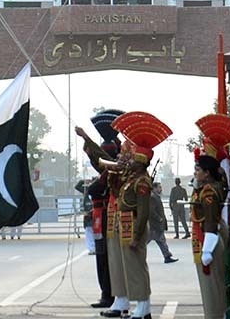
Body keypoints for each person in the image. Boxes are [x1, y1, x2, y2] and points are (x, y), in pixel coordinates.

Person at [110, 111, 172, 319]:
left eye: (133, 159)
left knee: (137, 267)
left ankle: (144, 306)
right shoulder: (132, 179)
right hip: (126, 223)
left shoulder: (142, 182)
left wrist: (137, 236)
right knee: (130, 267)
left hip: (135, 224)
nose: (129, 162)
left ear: (140, 161)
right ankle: (140, 306)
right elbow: (117, 194)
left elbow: (144, 211)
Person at [191, 113, 230, 319]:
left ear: (207, 173)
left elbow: (211, 221)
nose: (195, 172)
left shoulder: (208, 193)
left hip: (210, 242)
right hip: (209, 239)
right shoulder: (211, 186)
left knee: (212, 290)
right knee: (211, 290)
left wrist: (207, 249)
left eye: (198, 169)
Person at [75, 109, 124, 312]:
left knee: (106, 258)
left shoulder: (113, 172)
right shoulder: (108, 172)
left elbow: (100, 161)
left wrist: (86, 137)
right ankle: (108, 294)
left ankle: (110, 294)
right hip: (100, 216)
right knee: (103, 257)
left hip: (106, 216)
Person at [148, 182, 178, 263]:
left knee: (161, 240)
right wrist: (159, 219)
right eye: (159, 187)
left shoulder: (156, 197)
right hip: (154, 225)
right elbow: (152, 211)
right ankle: (136, 252)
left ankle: (167, 256)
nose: (161, 189)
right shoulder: (153, 197)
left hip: (157, 225)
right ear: (154, 188)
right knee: (147, 241)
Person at [75, 179, 96, 254]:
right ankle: (91, 249)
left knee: (96, 232)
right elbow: (77, 186)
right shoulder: (85, 191)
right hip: (88, 216)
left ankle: (96, 248)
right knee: (89, 232)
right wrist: (84, 181)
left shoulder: (97, 191)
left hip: (96, 214)